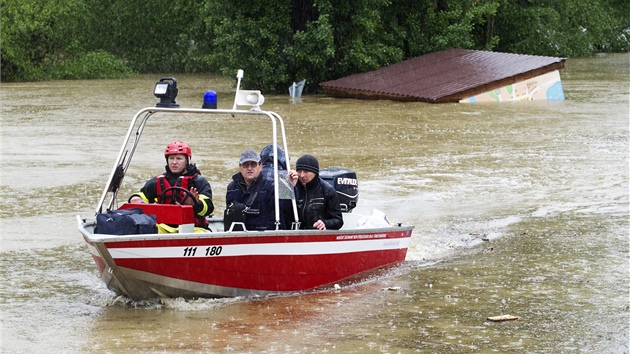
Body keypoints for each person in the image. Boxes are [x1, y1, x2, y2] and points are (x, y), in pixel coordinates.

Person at [129, 141, 214, 230]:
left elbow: (208, 207)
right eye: (171, 158)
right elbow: (143, 195)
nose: (174, 162)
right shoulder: (157, 181)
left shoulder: (198, 181)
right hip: (164, 227)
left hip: (194, 227)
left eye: (179, 158)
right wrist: (135, 198)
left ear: (187, 161)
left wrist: (196, 204)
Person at [225, 149, 278, 231]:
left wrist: (290, 186)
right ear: (240, 167)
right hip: (238, 236)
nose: (249, 168)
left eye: (253, 164)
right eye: (245, 165)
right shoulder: (232, 187)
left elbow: (285, 205)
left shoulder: (271, 186)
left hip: (264, 236)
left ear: (260, 166)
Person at [288, 154, 343, 231]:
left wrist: (325, 223)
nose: (302, 175)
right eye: (299, 171)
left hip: (316, 235)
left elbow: (339, 221)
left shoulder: (328, 190)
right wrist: (290, 186)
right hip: (294, 234)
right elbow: (282, 212)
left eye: (306, 171)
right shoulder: (292, 186)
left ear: (315, 172)